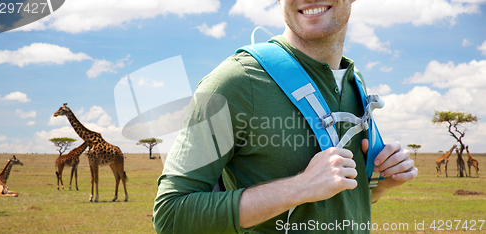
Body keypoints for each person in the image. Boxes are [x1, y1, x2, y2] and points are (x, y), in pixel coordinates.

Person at [153, 0, 418, 233]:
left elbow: (332, 205)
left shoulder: (354, 82)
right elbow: (170, 215)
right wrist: (300, 187)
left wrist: (380, 184)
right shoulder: (237, 81)